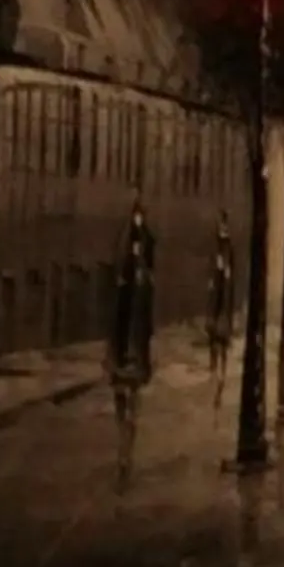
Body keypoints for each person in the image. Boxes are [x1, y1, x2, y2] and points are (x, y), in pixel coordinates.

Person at [107, 197, 157, 488]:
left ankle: (125, 455)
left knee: (131, 406)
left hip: (134, 352)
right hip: (124, 349)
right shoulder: (125, 288)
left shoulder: (142, 285)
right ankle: (122, 452)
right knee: (121, 401)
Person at [204, 210, 236, 393]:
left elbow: (231, 268)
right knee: (212, 334)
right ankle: (213, 366)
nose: (223, 229)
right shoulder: (215, 246)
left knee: (222, 335)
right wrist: (213, 276)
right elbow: (211, 265)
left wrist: (227, 272)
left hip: (224, 292)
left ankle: (221, 368)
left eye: (225, 226)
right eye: (221, 226)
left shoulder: (229, 247)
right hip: (216, 291)